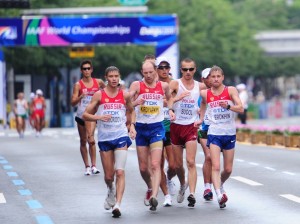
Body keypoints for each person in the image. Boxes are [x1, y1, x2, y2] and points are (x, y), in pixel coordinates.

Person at [83, 66, 136, 218]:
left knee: (119, 171)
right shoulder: (99, 95)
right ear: (106, 77)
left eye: (116, 76)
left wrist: (132, 125)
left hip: (120, 136)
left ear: (119, 77)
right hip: (105, 138)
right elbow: (86, 114)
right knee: (108, 176)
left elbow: (131, 111)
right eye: (111, 76)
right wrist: (99, 118)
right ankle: (110, 189)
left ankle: (118, 205)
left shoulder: (124, 95)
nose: (114, 79)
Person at [198, 65, 244, 209]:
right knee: (216, 166)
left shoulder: (230, 90)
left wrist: (228, 107)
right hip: (214, 133)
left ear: (222, 77)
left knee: (228, 169)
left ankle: (220, 183)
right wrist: (201, 119)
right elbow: (204, 105)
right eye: (213, 77)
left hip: (229, 133)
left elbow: (241, 108)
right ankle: (219, 194)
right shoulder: (205, 93)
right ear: (209, 79)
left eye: (218, 76)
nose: (216, 79)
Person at [129, 60, 172, 211]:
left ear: (156, 71)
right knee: (143, 168)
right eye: (145, 73)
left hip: (157, 128)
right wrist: (135, 102)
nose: (148, 75)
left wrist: (171, 109)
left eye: (150, 72)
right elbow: (124, 102)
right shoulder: (136, 85)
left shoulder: (163, 86)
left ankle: (154, 196)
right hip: (141, 128)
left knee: (155, 164)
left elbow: (169, 98)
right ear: (142, 72)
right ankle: (149, 187)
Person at [168, 58, 207, 207]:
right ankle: (183, 185)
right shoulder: (175, 83)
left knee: (191, 162)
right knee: (178, 165)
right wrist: (171, 109)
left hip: (191, 126)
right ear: (181, 70)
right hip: (176, 126)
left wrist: (201, 116)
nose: (188, 72)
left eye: (191, 69)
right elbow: (169, 99)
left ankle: (192, 194)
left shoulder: (201, 86)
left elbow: (207, 100)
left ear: (195, 69)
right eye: (185, 69)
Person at [71, 60, 105, 176]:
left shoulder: (98, 82)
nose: (86, 71)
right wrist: (81, 96)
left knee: (91, 140)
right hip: (81, 115)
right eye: (84, 69)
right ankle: (87, 166)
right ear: (81, 71)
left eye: (88, 68)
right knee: (83, 141)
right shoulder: (78, 85)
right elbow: (72, 102)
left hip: (92, 115)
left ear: (92, 69)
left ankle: (94, 165)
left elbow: (108, 92)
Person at [156, 56, 177, 206]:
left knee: (174, 165)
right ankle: (166, 195)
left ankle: (169, 179)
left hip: (171, 127)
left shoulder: (174, 83)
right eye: (161, 67)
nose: (164, 70)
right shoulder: (153, 85)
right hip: (156, 126)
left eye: (166, 67)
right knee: (158, 164)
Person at [197, 68, 213, 201]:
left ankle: (216, 185)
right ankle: (207, 187)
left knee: (215, 160)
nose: (211, 79)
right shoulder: (201, 94)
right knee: (209, 156)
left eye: (213, 76)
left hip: (219, 130)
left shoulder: (223, 92)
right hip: (204, 129)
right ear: (203, 80)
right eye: (208, 77)